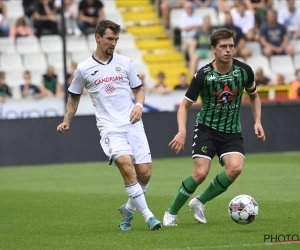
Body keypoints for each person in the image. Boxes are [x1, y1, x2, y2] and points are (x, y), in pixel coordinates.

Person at [56, 20, 162, 231]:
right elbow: (74, 97)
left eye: (116, 39)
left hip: (133, 123)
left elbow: (139, 90)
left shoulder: (126, 62)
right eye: (110, 39)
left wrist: (139, 105)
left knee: (145, 173)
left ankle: (128, 210)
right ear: (98, 37)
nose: (113, 43)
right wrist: (66, 120)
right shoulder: (84, 69)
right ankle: (149, 216)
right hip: (109, 128)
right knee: (125, 165)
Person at [162, 28, 266, 226]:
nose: (228, 50)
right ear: (213, 50)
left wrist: (258, 121)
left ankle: (199, 202)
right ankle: (171, 212)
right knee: (200, 173)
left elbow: (254, 97)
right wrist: (182, 131)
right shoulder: (203, 76)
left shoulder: (244, 71)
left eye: (231, 46)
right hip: (206, 129)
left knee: (235, 168)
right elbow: (184, 106)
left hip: (232, 131)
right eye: (223, 47)